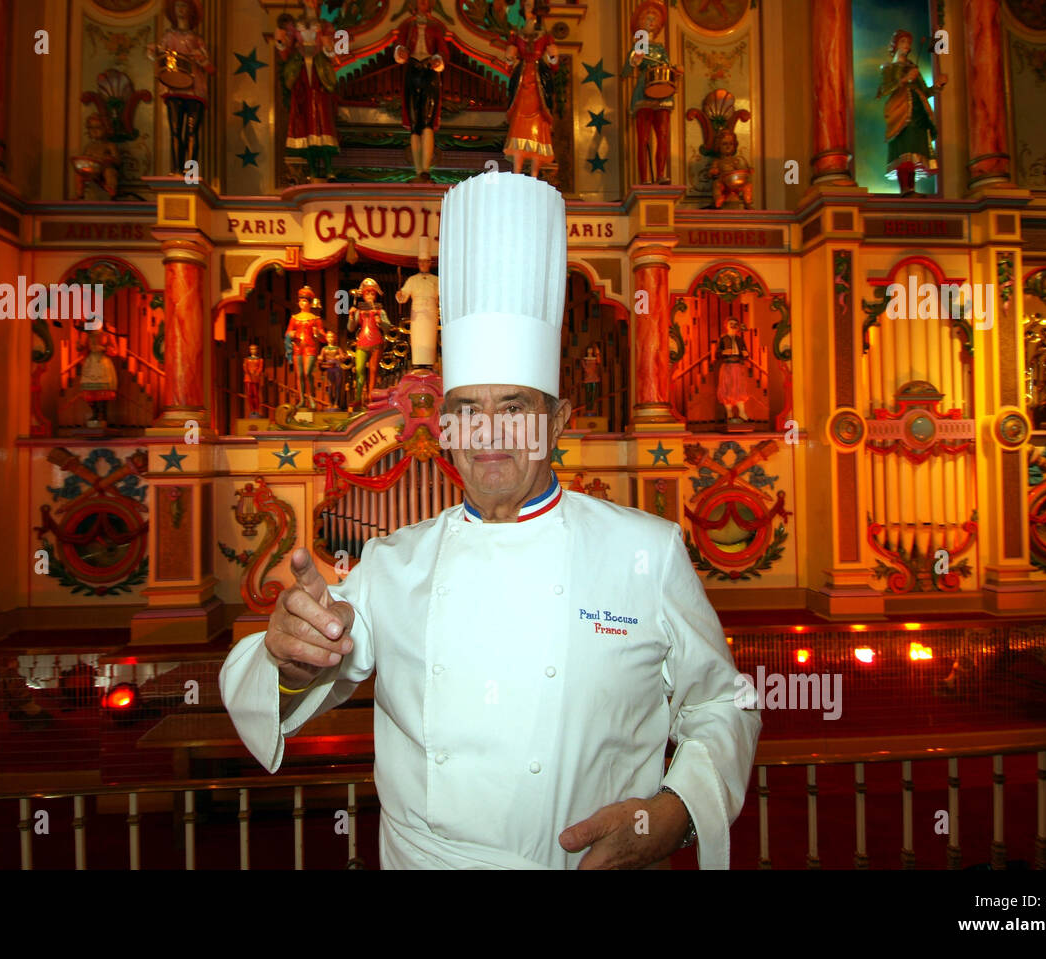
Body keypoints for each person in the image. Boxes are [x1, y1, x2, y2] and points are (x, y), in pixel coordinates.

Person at [220, 172, 761, 869]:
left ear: (559, 421)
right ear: (443, 426)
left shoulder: (645, 554)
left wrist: (676, 812)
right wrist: (288, 651)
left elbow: (726, 703)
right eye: (467, 410)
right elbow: (279, 678)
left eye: (514, 408)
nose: (490, 435)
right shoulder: (392, 562)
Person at [275, 0, 342, 182]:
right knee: (305, 122)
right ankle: (313, 171)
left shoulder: (326, 26)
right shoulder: (293, 25)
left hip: (319, 74)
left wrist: (328, 47)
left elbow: (334, 56)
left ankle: (329, 170)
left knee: (323, 120)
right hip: (302, 74)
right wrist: (281, 42)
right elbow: (285, 53)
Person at [876, 29, 947, 197]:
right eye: (903, 42)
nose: (907, 46)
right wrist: (905, 79)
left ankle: (911, 189)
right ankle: (905, 189)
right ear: (895, 46)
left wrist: (937, 86)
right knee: (904, 151)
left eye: (908, 43)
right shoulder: (889, 68)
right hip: (900, 112)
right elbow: (884, 90)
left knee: (914, 151)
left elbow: (924, 91)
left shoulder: (913, 67)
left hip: (918, 113)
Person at [147, 0, 214, 174]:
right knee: (175, 130)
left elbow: (211, 68)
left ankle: (191, 172)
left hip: (195, 89)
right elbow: (158, 56)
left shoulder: (197, 40)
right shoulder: (169, 36)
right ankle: (176, 170)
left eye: (184, 6)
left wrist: (201, 58)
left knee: (192, 132)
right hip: (174, 87)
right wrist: (153, 52)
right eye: (178, 6)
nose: (181, 10)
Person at [621, 1, 681, 185]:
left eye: (654, 20)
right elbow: (625, 72)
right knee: (643, 138)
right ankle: (644, 178)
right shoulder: (639, 46)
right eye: (647, 19)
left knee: (662, 135)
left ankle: (661, 174)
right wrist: (634, 61)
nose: (651, 22)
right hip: (644, 93)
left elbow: (667, 68)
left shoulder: (660, 48)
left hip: (662, 93)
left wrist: (676, 70)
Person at [393, 0, 450, 182]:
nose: (422, 2)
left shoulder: (435, 27)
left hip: (429, 73)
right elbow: (400, 44)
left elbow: (443, 50)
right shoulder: (407, 26)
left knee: (427, 122)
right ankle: (418, 170)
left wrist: (438, 60)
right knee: (414, 123)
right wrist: (401, 51)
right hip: (412, 71)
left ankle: (425, 169)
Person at [501, 1, 558, 177]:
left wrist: (553, 56)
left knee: (539, 122)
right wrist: (510, 58)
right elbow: (509, 61)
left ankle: (534, 173)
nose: (527, 7)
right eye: (525, 4)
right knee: (519, 123)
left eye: (530, 4)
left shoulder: (545, 36)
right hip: (523, 79)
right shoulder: (516, 35)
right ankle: (517, 172)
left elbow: (554, 62)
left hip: (538, 80)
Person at [347, 278, 392, 407]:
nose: (370, 296)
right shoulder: (360, 311)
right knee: (360, 368)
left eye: (372, 294)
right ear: (364, 295)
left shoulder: (380, 311)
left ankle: (370, 398)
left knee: (373, 370)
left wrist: (381, 322)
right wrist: (350, 316)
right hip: (362, 342)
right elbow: (351, 328)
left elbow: (388, 327)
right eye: (367, 294)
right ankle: (358, 397)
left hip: (376, 342)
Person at [395, 240, 440, 367]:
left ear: (429, 263)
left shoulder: (436, 280)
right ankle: (417, 366)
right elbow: (403, 295)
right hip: (417, 315)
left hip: (431, 313)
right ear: (418, 263)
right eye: (421, 262)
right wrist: (400, 295)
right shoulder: (412, 280)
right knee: (418, 340)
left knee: (429, 340)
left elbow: (443, 294)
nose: (423, 264)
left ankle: (430, 366)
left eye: (426, 262)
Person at [285, 286, 327, 409]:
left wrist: (318, 334)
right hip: (298, 348)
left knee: (307, 372)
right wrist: (290, 335)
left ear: (309, 303)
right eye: (300, 300)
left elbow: (323, 338)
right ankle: (302, 400)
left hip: (310, 348)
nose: (302, 303)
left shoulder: (316, 319)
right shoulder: (294, 318)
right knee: (300, 375)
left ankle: (311, 397)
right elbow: (287, 333)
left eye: (304, 301)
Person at [716, 316, 749, 422]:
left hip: (738, 366)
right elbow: (717, 354)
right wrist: (723, 353)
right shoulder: (723, 338)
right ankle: (729, 413)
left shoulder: (740, 339)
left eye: (735, 324)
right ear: (726, 325)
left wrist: (746, 354)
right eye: (731, 323)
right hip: (727, 365)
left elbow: (745, 352)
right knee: (727, 389)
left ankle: (742, 412)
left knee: (739, 389)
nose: (733, 326)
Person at [317, 329, 349, 410]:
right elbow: (321, 358)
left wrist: (342, 357)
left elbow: (343, 358)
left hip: (337, 368)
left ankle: (336, 403)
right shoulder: (324, 349)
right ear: (326, 338)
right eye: (329, 337)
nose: (330, 338)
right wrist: (320, 358)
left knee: (338, 386)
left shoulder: (338, 348)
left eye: (332, 337)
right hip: (329, 368)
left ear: (334, 338)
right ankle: (330, 402)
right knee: (330, 386)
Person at [242, 343, 264, 417]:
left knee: (256, 394)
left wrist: (256, 373)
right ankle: (251, 410)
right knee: (249, 394)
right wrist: (249, 372)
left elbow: (260, 368)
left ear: (257, 350)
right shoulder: (246, 359)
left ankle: (256, 410)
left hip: (255, 378)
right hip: (248, 378)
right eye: (251, 349)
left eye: (254, 349)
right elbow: (245, 368)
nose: (253, 350)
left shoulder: (260, 359)